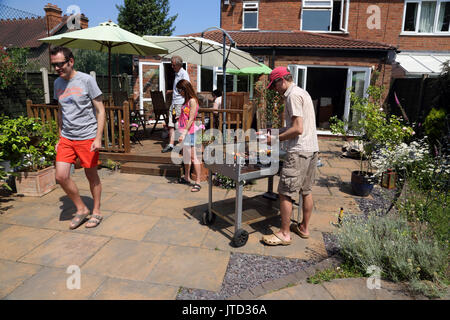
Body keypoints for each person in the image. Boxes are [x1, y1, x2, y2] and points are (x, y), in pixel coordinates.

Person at [261, 67, 319, 246]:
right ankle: (303, 228)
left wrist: (274, 140)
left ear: (282, 81)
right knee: (306, 190)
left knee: (285, 193)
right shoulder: (303, 92)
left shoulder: (292, 96)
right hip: (311, 149)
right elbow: (294, 126)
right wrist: (268, 132)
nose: (276, 90)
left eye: (275, 86)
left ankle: (284, 234)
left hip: (299, 151)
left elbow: (297, 129)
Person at [51, 46, 106, 230]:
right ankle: (81, 208)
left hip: (87, 136)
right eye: (54, 65)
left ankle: (96, 211)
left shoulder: (86, 80)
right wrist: (60, 136)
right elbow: (60, 111)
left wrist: (98, 138)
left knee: (91, 175)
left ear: (71, 61)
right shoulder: (57, 84)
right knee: (60, 176)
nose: (57, 68)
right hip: (67, 137)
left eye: (60, 64)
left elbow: (100, 110)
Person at [176, 79, 203, 192]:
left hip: (190, 132)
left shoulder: (192, 101)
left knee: (193, 157)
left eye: (180, 90)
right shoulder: (186, 101)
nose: (179, 92)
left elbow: (191, 118)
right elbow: (186, 116)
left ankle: (198, 182)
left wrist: (184, 132)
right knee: (186, 156)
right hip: (184, 131)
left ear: (185, 89)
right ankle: (187, 177)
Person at [162, 55, 190, 153]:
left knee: (178, 125)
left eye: (173, 65)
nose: (172, 67)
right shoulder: (177, 73)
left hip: (180, 103)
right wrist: (172, 91)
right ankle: (170, 144)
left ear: (178, 65)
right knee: (171, 124)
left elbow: (187, 88)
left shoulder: (183, 74)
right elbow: (178, 88)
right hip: (174, 103)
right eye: (171, 65)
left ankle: (180, 146)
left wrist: (185, 104)